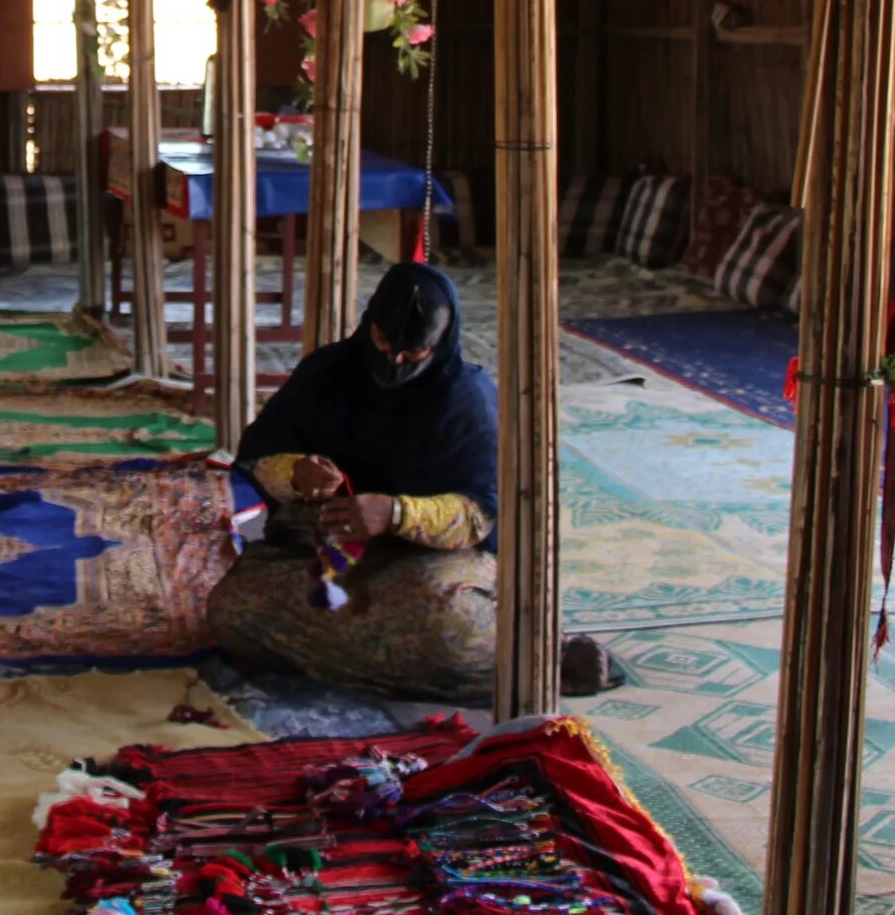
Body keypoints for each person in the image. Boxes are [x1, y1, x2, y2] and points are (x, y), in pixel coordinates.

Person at [208, 260, 615, 701]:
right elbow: (257, 458)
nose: (394, 360)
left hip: (429, 563)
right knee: (232, 609)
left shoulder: (465, 400)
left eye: (413, 352)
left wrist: (396, 514)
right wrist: (296, 472)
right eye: (383, 342)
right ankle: (406, 664)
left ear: (441, 342)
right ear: (370, 324)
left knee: (443, 628)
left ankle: (547, 656)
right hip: (330, 550)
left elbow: (479, 514)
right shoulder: (328, 372)